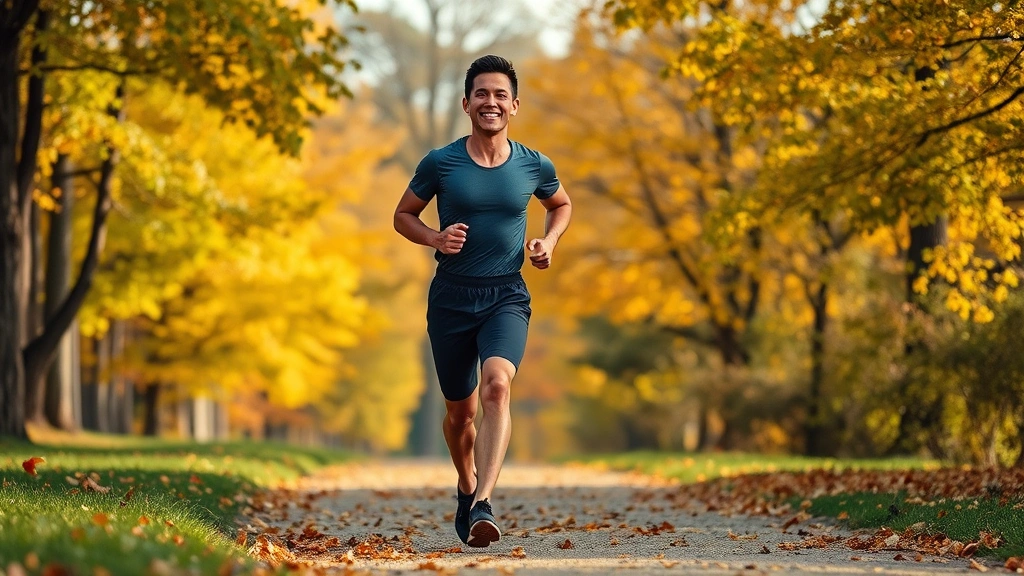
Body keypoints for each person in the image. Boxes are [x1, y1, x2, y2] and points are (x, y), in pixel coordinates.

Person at [393, 55, 572, 548]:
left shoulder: (534, 164)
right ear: (466, 103)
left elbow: (560, 204)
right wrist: (434, 237)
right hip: (451, 297)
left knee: (497, 387)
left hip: (506, 295)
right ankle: (466, 483)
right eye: (481, 94)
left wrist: (547, 243)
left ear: (514, 106)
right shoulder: (441, 162)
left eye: (499, 95)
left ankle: (484, 504)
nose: (490, 102)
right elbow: (402, 214)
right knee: (460, 415)